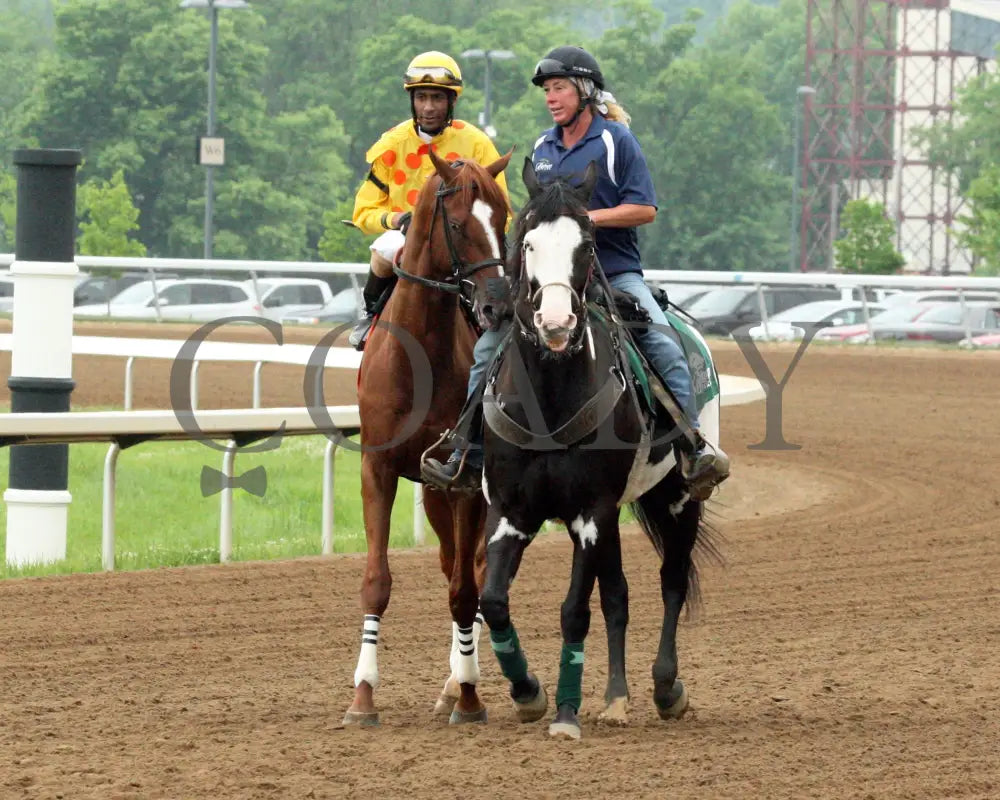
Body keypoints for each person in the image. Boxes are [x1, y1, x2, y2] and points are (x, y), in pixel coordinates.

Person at [421, 45, 729, 497]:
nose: (551, 97)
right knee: (487, 351)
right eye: (547, 90)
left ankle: (693, 447)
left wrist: (586, 221)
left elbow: (644, 209)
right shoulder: (542, 148)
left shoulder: (616, 141)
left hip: (614, 271)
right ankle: (469, 453)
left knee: (664, 344)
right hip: (547, 279)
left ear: (584, 91)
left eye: (559, 88)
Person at [348, 50, 509, 349]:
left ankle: (508, 335)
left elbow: (502, 210)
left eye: (437, 98)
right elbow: (363, 212)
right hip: (409, 243)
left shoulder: (476, 142)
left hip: (466, 244)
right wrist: (397, 219)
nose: (428, 107)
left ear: (452, 101)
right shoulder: (391, 144)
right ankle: (369, 314)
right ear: (412, 100)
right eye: (421, 98)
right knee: (385, 247)